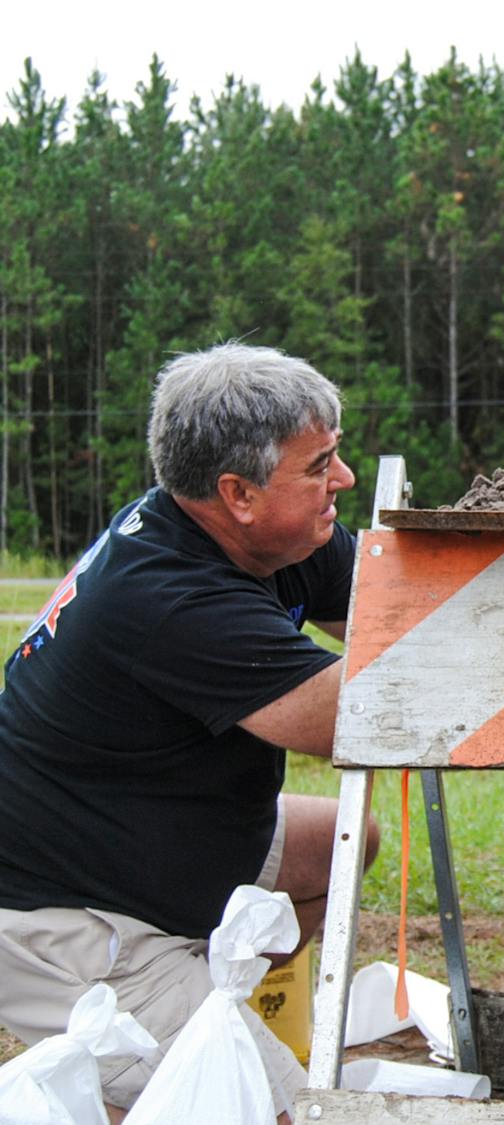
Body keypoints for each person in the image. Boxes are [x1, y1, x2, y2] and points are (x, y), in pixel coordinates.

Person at [0, 342, 379, 1121]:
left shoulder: (266, 536)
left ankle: (205, 1012)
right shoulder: (168, 595)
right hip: (68, 915)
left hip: (142, 840)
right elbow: (357, 710)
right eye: (319, 466)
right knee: (258, 1105)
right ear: (237, 492)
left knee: (342, 842)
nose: (341, 481)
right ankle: (169, 1058)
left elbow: (386, 605)